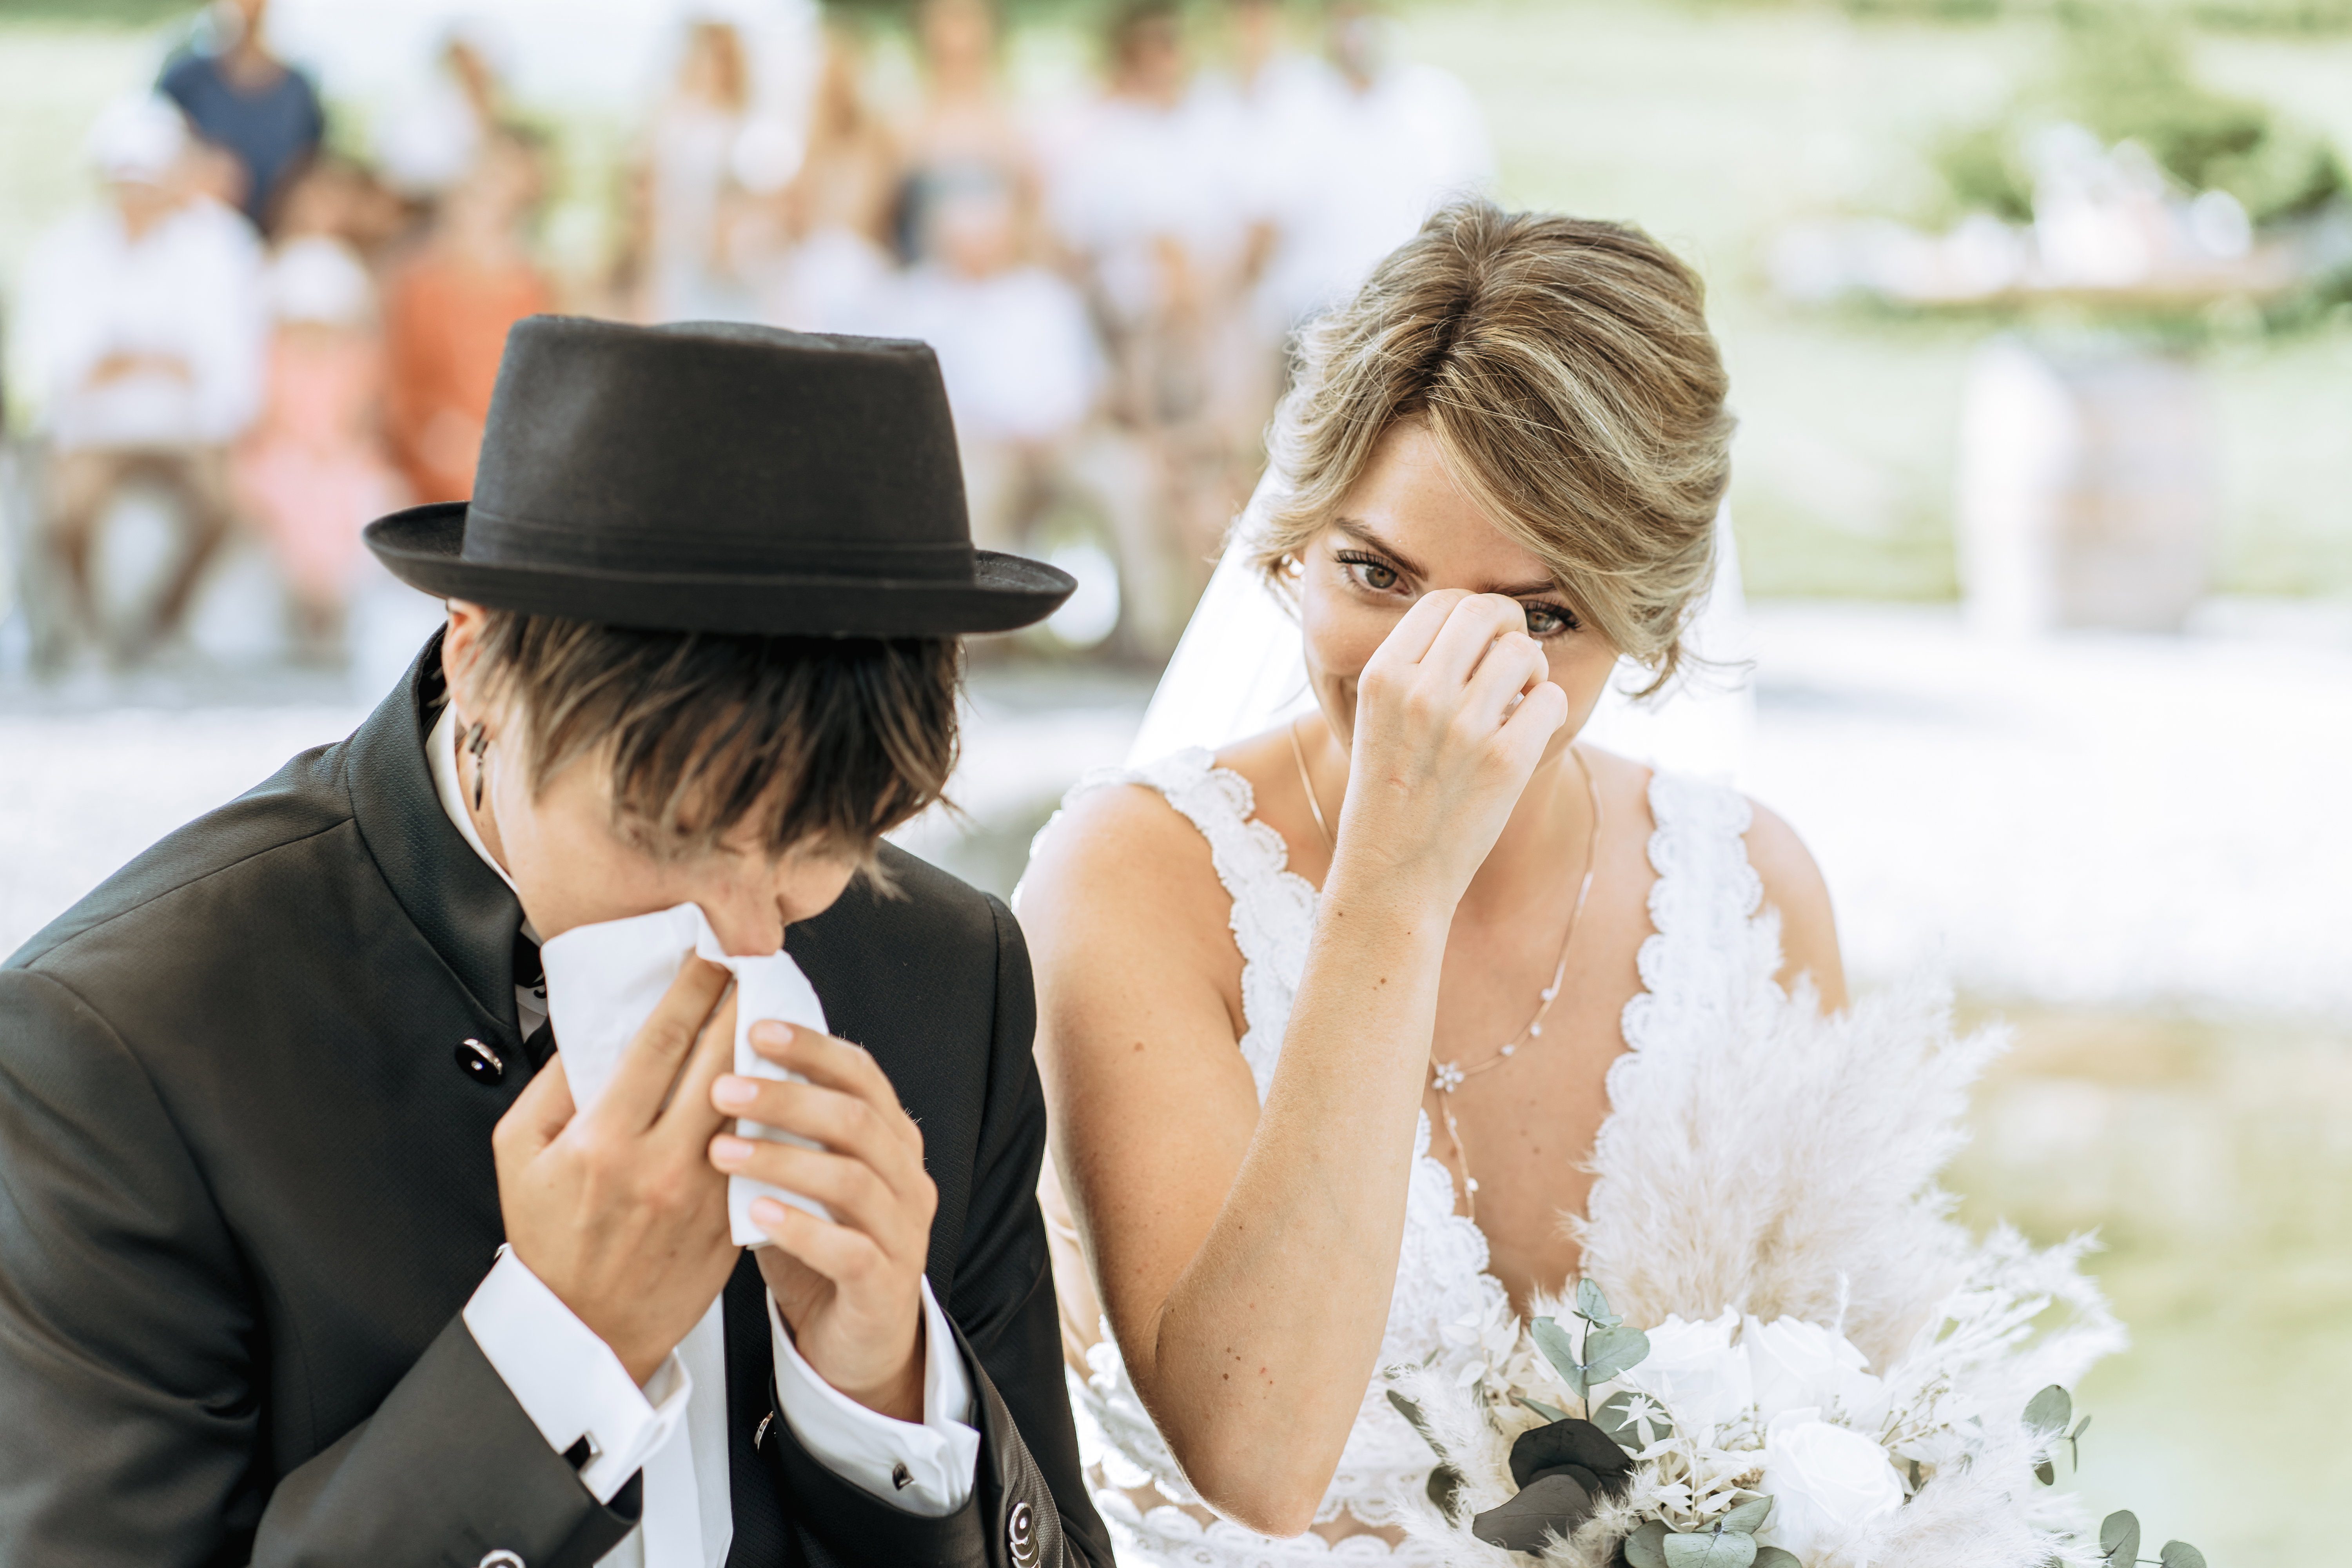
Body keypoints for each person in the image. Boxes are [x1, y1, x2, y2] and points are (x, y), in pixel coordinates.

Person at [0, 316, 1115, 1568]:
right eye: (675, 832)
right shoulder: (119, 1042)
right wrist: (552, 1355)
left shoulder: (949, 974)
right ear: (478, 661)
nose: (745, 929)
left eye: (819, 838)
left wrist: (886, 1400)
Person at [1017, 204, 1844, 1566]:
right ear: (1289, 548)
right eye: (1376, 574)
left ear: (1644, 624)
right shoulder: (1128, 882)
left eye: (1538, 615)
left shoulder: (1754, 894)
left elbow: (1832, 1434)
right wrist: (1394, 884)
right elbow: (1257, 1459)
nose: (1432, 676)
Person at [16, 94, 266, 659]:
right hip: (95, 431)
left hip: (189, 430)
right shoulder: (66, 252)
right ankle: (87, 632)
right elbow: (50, 363)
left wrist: (126, 363)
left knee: (222, 506)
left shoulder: (221, 247)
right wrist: (147, 364)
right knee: (69, 510)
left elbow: (228, 361)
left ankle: (159, 628)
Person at [231, 167, 408, 658]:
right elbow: (259, 390)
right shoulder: (265, 275)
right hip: (280, 442)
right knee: (288, 486)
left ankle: (331, 616)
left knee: (355, 492)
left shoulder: (364, 286)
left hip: (342, 444)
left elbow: (368, 392)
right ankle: (308, 611)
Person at [382, 130, 552, 504]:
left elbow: (547, 393)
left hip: (508, 459)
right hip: (432, 455)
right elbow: (398, 389)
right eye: (477, 193)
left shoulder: (535, 288)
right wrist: (433, 435)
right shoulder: (418, 281)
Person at [158, 0, 326, 234]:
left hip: (270, 240)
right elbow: (151, 151)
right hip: (193, 232)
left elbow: (312, 171)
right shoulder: (186, 80)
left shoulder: (298, 93)